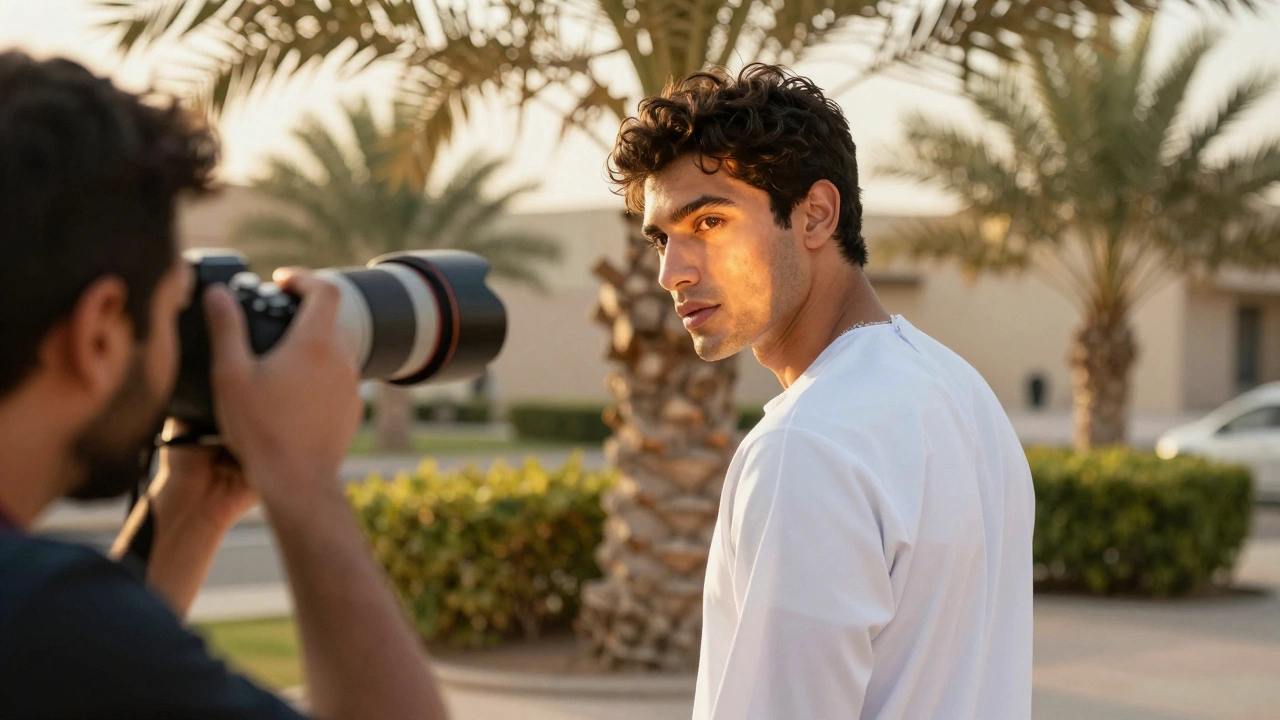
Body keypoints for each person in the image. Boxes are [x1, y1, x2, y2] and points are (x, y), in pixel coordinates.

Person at [0, 52, 449, 719]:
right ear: (98, 335)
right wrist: (300, 478)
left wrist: (190, 509)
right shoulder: (42, 617)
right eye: (175, 310)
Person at [607, 64, 1035, 719]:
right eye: (663, 238)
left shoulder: (804, 446)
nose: (669, 272)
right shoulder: (965, 397)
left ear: (815, 215)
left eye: (709, 223)